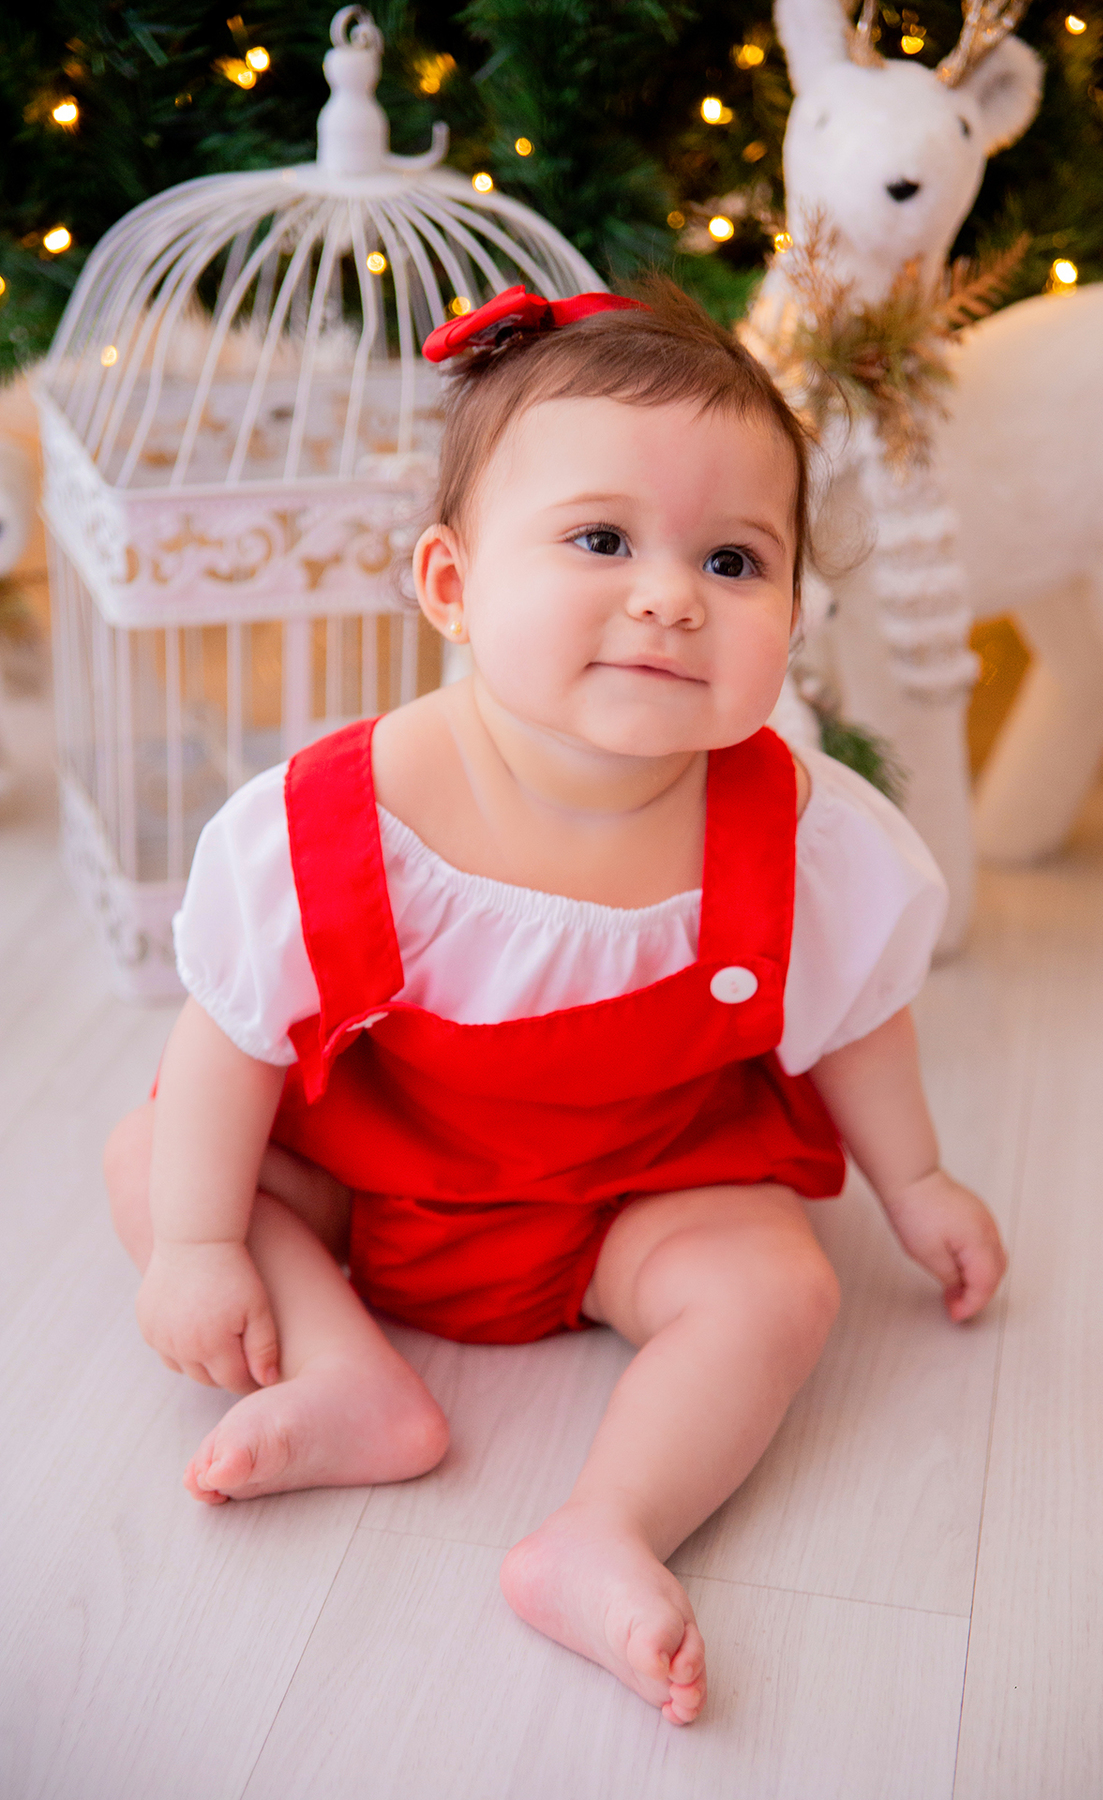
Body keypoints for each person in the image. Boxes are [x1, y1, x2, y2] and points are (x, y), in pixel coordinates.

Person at [104, 279, 1006, 1727]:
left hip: (635, 1193)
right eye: (600, 540)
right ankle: (348, 1380)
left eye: (733, 560)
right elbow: (228, 1041)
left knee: (779, 1286)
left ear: (791, 606)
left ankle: (606, 1527)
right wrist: (201, 1247)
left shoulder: (801, 830)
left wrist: (919, 1177)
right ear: (451, 585)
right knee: (156, 1156)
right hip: (371, 1179)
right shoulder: (334, 821)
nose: (667, 594)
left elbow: (852, 1017)